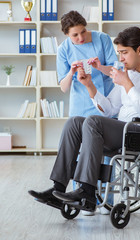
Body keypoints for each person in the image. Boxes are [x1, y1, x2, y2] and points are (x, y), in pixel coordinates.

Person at [28, 26, 140, 212]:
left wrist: (126, 84)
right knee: (75, 122)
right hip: (126, 130)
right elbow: (109, 109)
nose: (120, 58)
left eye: (124, 53)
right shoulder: (130, 74)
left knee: (93, 121)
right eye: (119, 53)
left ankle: (86, 191)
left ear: (139, 50)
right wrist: (90, 86)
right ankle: (57, 189)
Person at [56, 10, 116, 215]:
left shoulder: (102, 39)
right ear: (66, 35)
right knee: (80, 153)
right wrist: (71, 72)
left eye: (83, 31)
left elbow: (115, 72)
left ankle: (107, 200)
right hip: (79, 106)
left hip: (104, 103)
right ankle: (82, 198)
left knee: (107, 154)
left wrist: (99, 67)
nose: (81, 38)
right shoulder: (64, 49)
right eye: (75, 35)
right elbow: (63, 87)